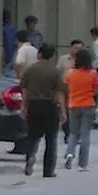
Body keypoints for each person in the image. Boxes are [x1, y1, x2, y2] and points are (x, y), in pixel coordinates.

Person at [19, 43, 64, 177]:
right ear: (51, 56)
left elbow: (24, 89)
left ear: (39, 54)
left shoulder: (29, 69)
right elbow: (59, 92)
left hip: (34, 105)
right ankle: (48, 170)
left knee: (33, 136)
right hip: (49, 105)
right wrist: (62, 111)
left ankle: (30, 157)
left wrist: (24, 106)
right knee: (51, 139)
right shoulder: (56, 71)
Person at [62, 47, 98, 170]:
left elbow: (67, 89)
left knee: (73, 133)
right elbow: (95, 91)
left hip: (73, 105)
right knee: (85, 135)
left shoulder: (70, 73)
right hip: (88, 104)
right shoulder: (93, 73)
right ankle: (82, 164)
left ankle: (70, 153)